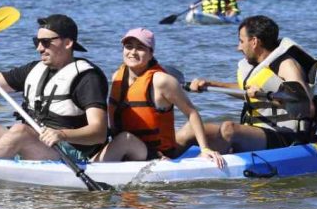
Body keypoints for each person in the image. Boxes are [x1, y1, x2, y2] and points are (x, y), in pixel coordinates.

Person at [0, 14, 109, 162]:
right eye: (37, 41)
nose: (39, 48)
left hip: (69, 153)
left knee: (21, 131)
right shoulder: (34, 69)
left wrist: (62, 134)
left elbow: (99, 132)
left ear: (67, 43)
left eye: (45, 42)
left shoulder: (87, 78)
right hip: (31, 143)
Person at [177, 15, 317, 154]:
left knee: (229, 128)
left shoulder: (287, 65)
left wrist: (264, 96)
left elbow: (307, 107)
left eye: (241, 41)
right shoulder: (256, 66)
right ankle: (161, 157)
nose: (238, 47)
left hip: (284, 136)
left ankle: (207, 164)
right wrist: (210, 84)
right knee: (192, 128)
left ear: (254, 41)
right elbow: (245, 91)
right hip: (255, 132)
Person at [93, 28, 225, 168]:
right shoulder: (116, 77)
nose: (132, 52)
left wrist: (204, 149)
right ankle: (92, 164)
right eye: (128, 46)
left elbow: (191, 112)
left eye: (140, 48)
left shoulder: (162, 81)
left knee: (124, 139)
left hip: (156, 152)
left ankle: (92, 170)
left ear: (151, 54)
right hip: (131, 146)